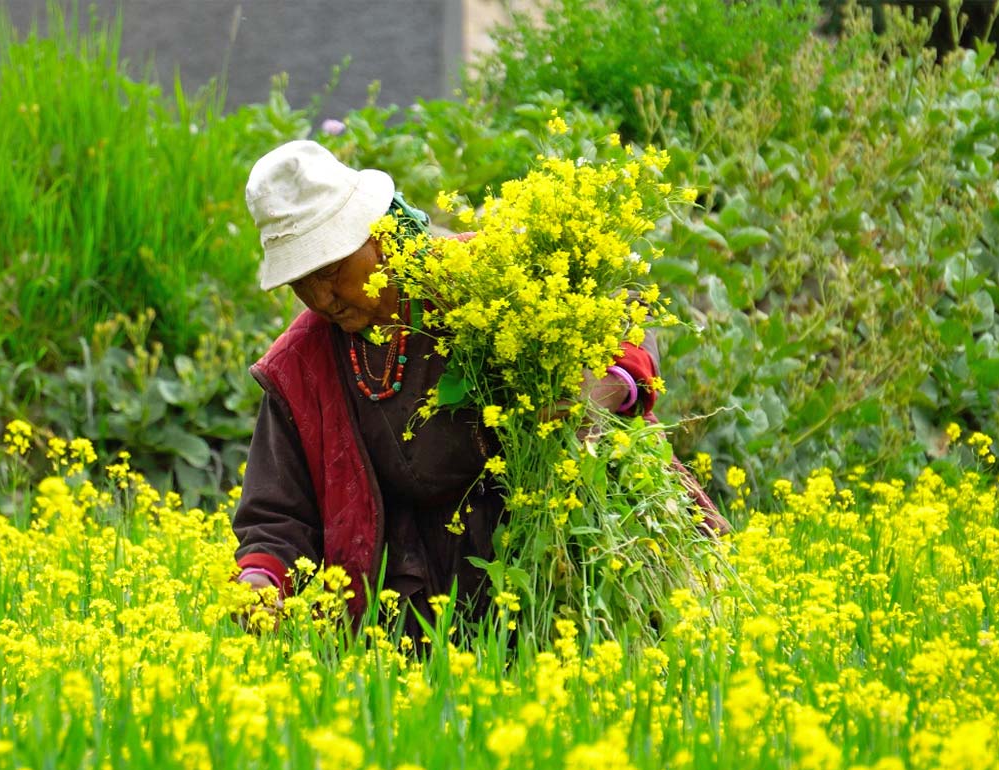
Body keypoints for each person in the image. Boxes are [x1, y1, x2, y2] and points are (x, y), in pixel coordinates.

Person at [231, 141, 723, 644]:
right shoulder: (300, 366)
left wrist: (599, 388)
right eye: (301, 282)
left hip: (549, 573)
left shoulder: (482, 279)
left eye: (331, 272)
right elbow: (276, 515)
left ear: (378, 237)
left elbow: (624, 309)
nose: (320, 298)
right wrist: (259, 583)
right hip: (407, 616)